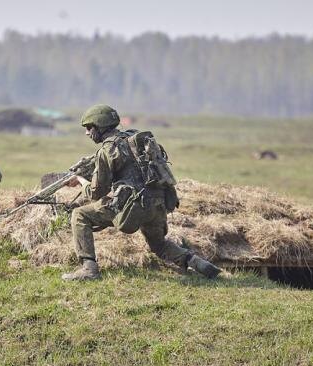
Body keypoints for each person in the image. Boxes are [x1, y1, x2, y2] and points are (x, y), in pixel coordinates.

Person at [62, 104, 222, 281]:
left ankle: (89, 269)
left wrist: (80, 180)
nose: (87, 133)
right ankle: (199, 263)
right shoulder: (134, 137)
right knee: (159, 245)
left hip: (133, 208)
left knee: (79, 215)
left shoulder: (107, 150)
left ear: (99, 126)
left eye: (89, 128)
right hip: (158, 203)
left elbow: (96, 192)